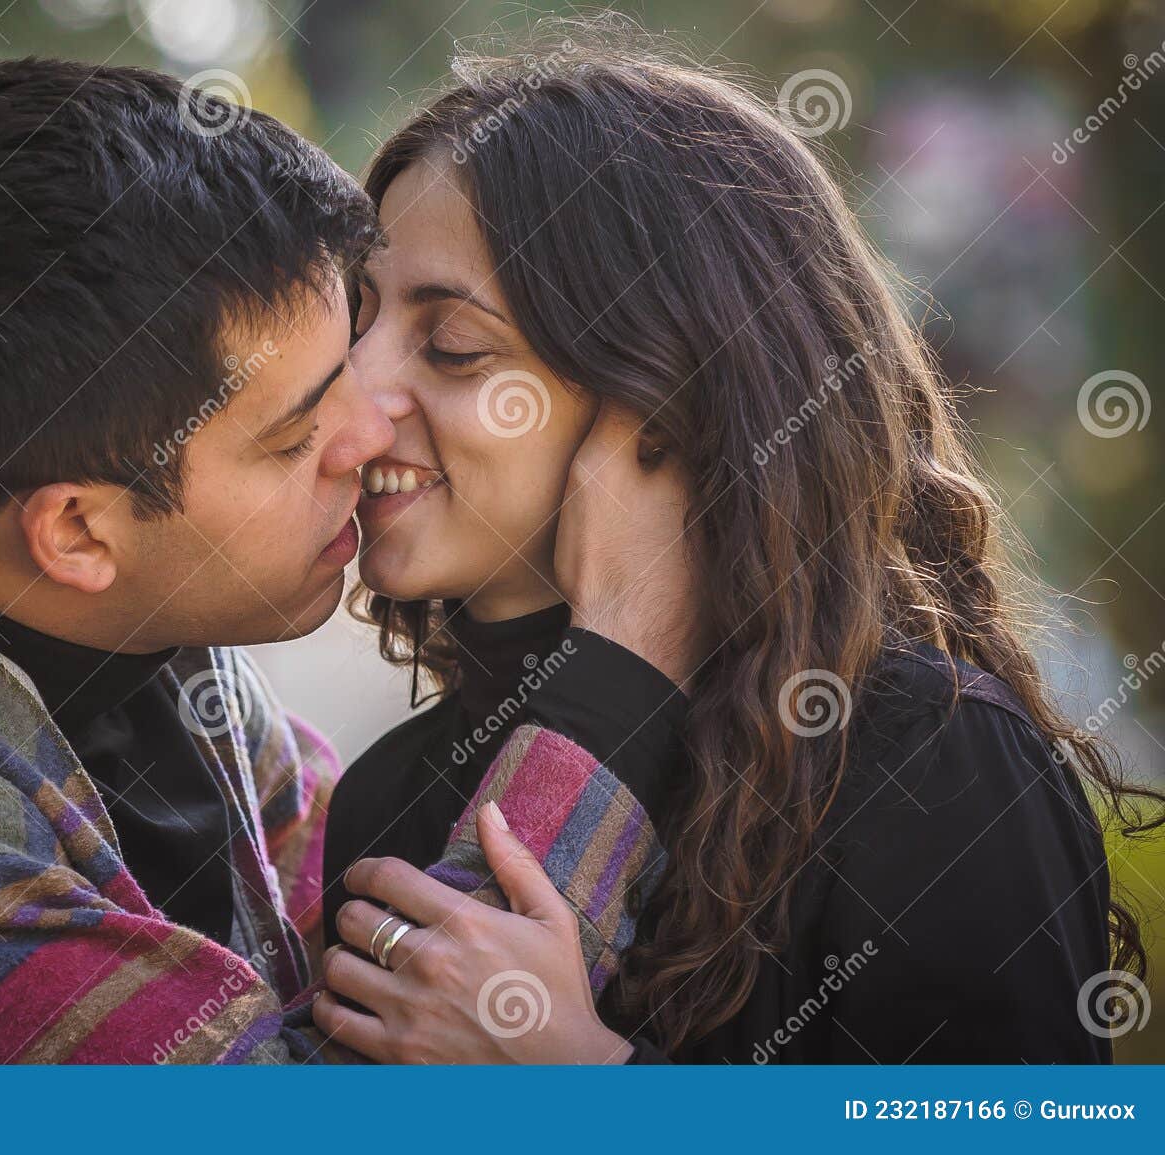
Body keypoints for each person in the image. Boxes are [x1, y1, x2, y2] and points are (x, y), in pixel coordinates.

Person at [0, 59, 658, 1064]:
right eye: (294, 435)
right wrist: (624, 660)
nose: (372, 433)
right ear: (77, 533)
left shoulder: (104, 610)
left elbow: (359, 945)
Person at [314, 34, 1162, 1063]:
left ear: (664, 399)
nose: (350, 401)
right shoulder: (385, 797)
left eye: (453, 348)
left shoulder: (923, 761)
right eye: (350, 326)